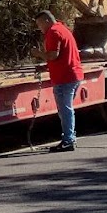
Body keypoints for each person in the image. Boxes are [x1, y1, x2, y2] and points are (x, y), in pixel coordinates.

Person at [35, 10, 83, 152]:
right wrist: (46, 67)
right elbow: (62, 56)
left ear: (46, 21)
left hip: (64, 78)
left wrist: (38, 54)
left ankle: (68, 140)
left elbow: (53, 55)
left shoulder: (53, 32)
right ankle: (69, 137)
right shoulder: (63, 29)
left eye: (39, 24)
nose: (39, 28)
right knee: (66, 109)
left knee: (65, 110)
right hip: (73, 74)